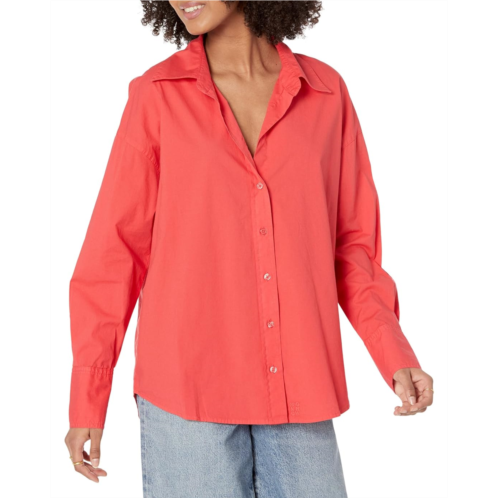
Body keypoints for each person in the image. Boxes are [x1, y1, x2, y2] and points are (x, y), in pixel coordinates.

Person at [64, 1, 435, 496]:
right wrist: (88, 398)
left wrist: (393, 351)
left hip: (300, 387)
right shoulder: (157, 94)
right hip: (186, 394)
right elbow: (114, 254)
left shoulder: (325, 93)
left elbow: (351, 248)